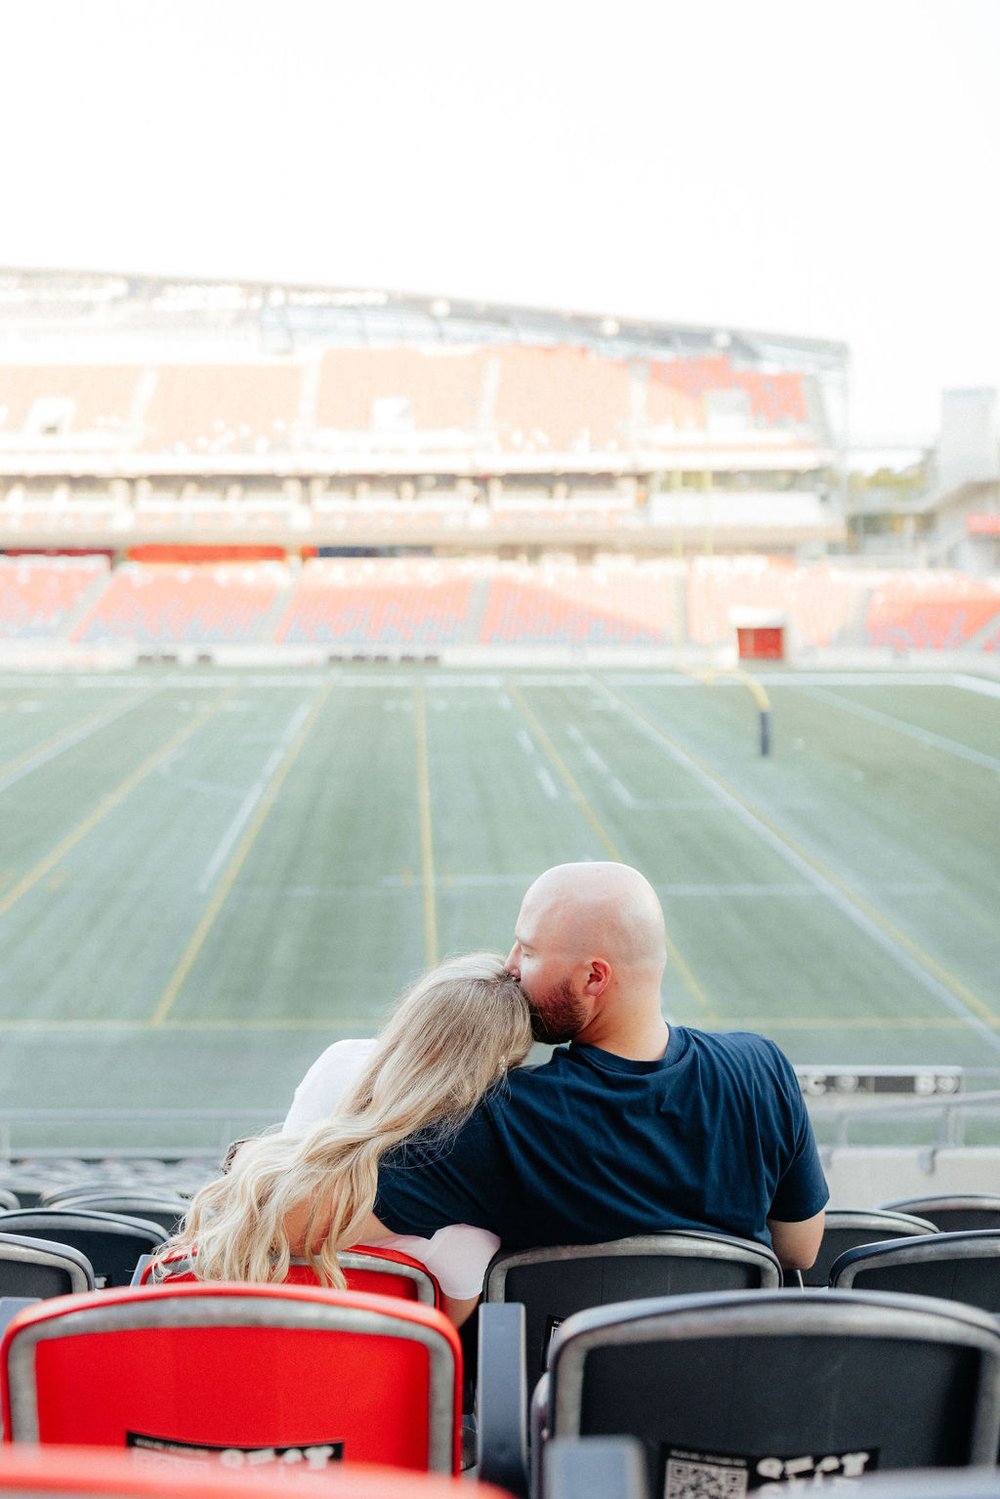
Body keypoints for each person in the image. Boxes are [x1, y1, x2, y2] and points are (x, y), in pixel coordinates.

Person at [362, 862, 827, 1283]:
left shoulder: (501, 1121)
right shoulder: (762, 1067)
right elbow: (800, 1249)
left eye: (528, 950)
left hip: (567, 1375)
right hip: (732, 1371)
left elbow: (307, 1217)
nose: (510, 966)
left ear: (593, 978)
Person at [163, 952, 532, 1324]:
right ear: (502, 1064)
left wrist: (248, 1157)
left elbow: (290, 1185)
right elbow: (444, 1336)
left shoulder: (340, 1062)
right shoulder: (469, 1232)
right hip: (369, 1377)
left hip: (258, 1342)